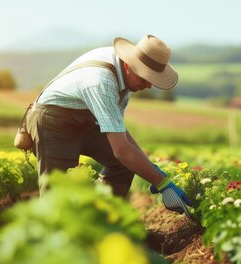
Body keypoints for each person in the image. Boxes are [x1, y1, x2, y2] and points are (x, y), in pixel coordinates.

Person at [25, 34, 192, 215]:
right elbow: (121, 150)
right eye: (144, 79)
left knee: (126, 165)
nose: (148, 86)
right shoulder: (102, 81)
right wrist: (161, 182)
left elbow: (120, 132)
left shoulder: (124, 78)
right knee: (57, 193)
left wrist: (148, 166)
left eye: (151, 81)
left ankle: (97, 218)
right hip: (53, 120)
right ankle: (55, 235)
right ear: (129, 65)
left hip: (84, 118)